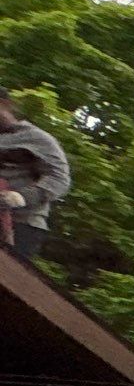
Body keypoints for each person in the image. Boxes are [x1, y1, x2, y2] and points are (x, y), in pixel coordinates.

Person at [0, 89, 71, 262]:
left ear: (5, 104)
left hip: (21, 223)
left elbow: (59, 178)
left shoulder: (36, 138)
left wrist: (20, 197)